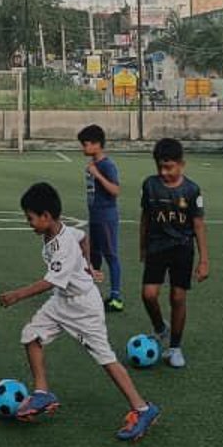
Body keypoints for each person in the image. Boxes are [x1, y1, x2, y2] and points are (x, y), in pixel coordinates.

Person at [0, 181, 160, 442]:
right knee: (31, 335)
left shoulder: (62, 245)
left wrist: (17, 295)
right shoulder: (61, 231)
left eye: (30, 218)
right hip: (62, 301)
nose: (28, 223)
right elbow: (83, 236)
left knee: (105, 359)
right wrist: (87, 265)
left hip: (83, 307)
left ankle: (143, 408)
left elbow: (49, 281)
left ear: (46, 216)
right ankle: (42, 392)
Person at [138, 137, 210, 368]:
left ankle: (175, 348)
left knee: (177, 297)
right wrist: (142, 246)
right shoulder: (150, 185)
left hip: (182, 248)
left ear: (182, 164)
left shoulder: (191, 189)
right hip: (156, 246)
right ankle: (160, 328)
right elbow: (145, 218)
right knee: (148, 294)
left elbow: (198, 224)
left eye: (169, 167)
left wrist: (204, 260)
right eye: (160, 167)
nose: (164, 172)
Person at [76, 123, 125, 311]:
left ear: (97, 144)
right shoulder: (93, 164)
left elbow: (115, 190)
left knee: (111, 255)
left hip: (106, 217)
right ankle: (91, 294)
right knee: (93, 256)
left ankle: (116, 297)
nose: (83, 148)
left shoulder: (106, 165)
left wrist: (98, 175)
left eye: (86, 144)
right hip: (95, 217)